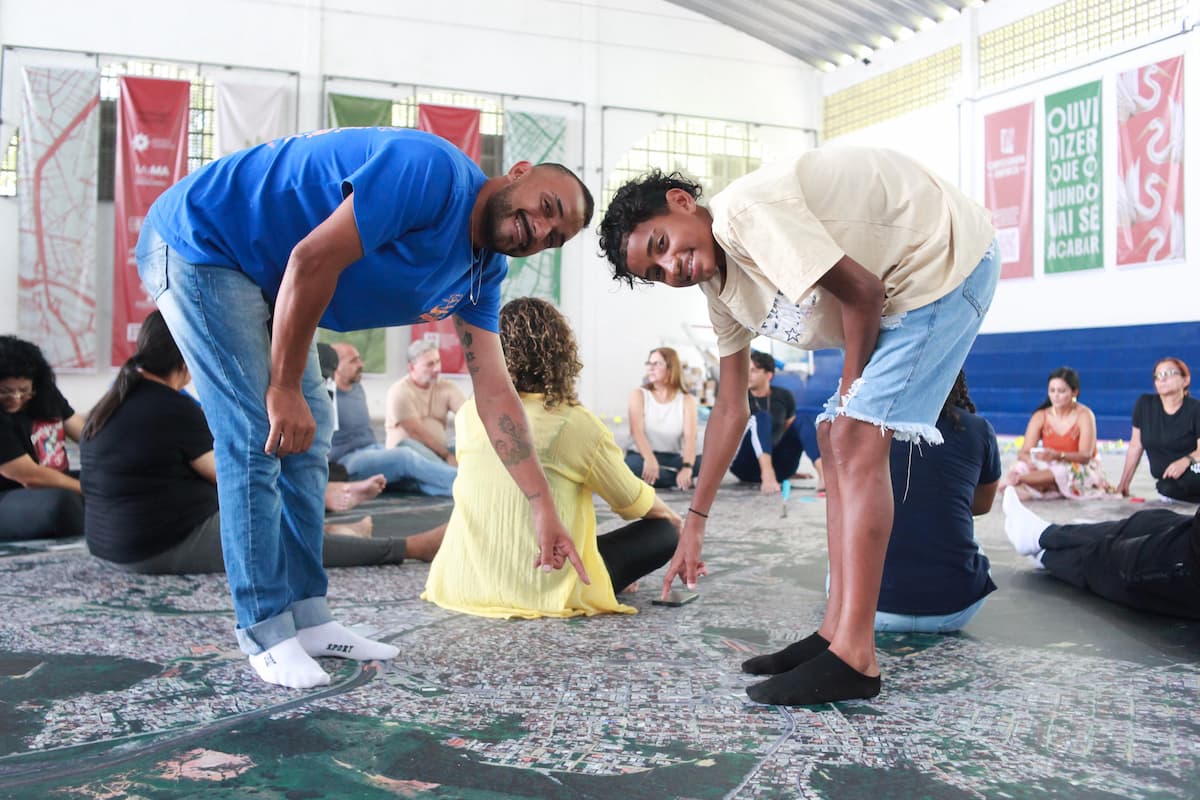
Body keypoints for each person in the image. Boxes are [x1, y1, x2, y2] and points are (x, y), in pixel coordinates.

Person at [137, 126, 593, 688]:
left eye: (553, 238)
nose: (541, 231)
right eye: (547, 208)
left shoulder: (483, 271)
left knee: (310, 437)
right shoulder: (431, 172)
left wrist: (541, 504)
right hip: (203, 241)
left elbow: (495, 391)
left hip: (268, 277)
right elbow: (310, 259)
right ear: (519, 171)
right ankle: (265, 630)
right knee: (259, 433)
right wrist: (281, 389)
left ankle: (307, 617)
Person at [599, 146, 999, 705]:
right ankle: (835, 633)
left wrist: (848, 398)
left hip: (944, 261)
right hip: (898, 291)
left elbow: (863, 293)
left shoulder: (743, 215)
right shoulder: (718, 289)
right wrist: (694, 520)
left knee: (852, 436)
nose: (672, 268)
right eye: (656, 271)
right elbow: (731, 410)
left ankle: (855, 659)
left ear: (682, 202)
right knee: (837, 441)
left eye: (661, 245)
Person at [80, 311, 444, 575]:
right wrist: (313, 494)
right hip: (160, 547)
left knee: (282, 504)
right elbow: (236, 482)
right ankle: (409, 547)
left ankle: (334, 522)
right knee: (283, 535)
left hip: (110, 545)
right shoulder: (172, 409)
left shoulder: (112, 402)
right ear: (189, 354)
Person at [423, 298, 680, 618]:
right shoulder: (572, 421)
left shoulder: (468, 413)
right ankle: (595, 577)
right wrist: (682, 525)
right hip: (543, 585)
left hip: (460, 582)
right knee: (665, 532)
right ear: (562, 353)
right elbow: (634, 501)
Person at [869, 372, 998, 634]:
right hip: (954, 610)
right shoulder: (978, 428)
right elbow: (982, 505)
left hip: (871, 610)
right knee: (974, 545)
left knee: (850, 548)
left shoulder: (873, 427)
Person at [1002, 487, 1200, 619]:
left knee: (1105, 560)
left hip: (1186, 566)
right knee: (1145, 522)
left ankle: (1045, 554)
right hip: (1191, 532)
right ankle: (1043, 535)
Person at [330, 342, 458, 496]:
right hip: (348, 461)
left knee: (409, 449)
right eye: (353, 361)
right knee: (404, 456)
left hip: (373, 449)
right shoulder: (327, 396)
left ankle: (457, 490)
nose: (360, 364)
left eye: (359, 359)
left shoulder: (356, 388)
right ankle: (465, 483)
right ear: (335, 365)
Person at [0, 335, 84, 542]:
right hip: (9, 495)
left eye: (24, 391)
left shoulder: (45, 396)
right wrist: (90, 491)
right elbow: (30, 476)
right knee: (62, 503)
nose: (16, 398)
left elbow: (88, 435)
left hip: (51, 482)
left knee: (116, 481)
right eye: (5, 392)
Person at [1002, 367, 1113, 500]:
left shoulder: (1084, 415)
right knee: (1021, 465)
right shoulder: (1040, 416)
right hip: (1050, 464)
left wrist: (1058, 455)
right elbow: (1024, 451)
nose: (1056, 395)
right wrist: (1029, 461)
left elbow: (1085, 457)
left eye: (1061, 391)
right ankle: (1046, 485)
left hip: (1078, 466)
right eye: (1052, 390)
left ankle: (1021, 480)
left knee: (1063, 471)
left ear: (1074, 392)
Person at [729, 350, 823, 494]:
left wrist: (790, 469)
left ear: (768, 375)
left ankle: (823, 475)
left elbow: (790, 430)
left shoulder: (784, 396)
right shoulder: (739, 398)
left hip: (780, 468)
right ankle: (767, 474)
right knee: (761, 417)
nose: (747, 375)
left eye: (753, 371)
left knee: (802, 419)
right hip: (747, 466)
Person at [1115, 357, 1200, 503]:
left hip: (1194, 469)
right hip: (1168, 480)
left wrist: (1186, 461)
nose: (1163, 379)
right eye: (1158, 375)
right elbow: (1136, 446)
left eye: (1169, 373)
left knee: (1190, 481)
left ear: (1185, 380)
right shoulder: (1145, 404)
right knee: (1166, 488)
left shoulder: (1196, 409)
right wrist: (1123, 484)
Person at [624, 346, 700, 490]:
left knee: (706, 463)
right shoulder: (638, 395)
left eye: (656, 364)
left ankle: (663, 477)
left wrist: (687, 467)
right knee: (632, 467)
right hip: (641, 456)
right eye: (649, 363)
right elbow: (637, 432)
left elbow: (690, 438)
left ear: (671, 368)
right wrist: (650, 460)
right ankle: (677, 480)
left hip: (670, 458)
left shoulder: (686, 400)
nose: (650, 368)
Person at [385, 338, 466, 463]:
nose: (437, 369)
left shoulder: (446, 387)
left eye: (438, 362)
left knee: (471, 451)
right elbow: (416, 433)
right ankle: (452, 474)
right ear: (412, 367)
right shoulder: (399, 392)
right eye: (430, 364)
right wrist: (447, 456)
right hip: (408, 455)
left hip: (440, 452)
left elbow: (468, 414)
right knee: (408, 447)